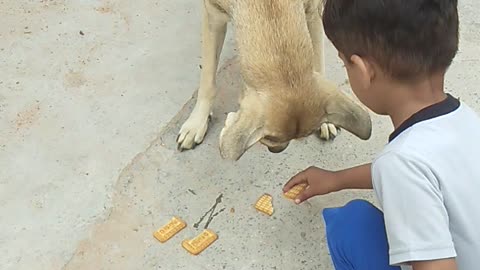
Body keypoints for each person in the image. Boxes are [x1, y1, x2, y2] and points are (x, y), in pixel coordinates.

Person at [283, 1, 480, 270]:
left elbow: (404, 171)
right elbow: (424, 172)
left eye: (344, 65)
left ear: (363, 71)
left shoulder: (400, 164)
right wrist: (337, 179)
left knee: (350, 224)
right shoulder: (465, 119)